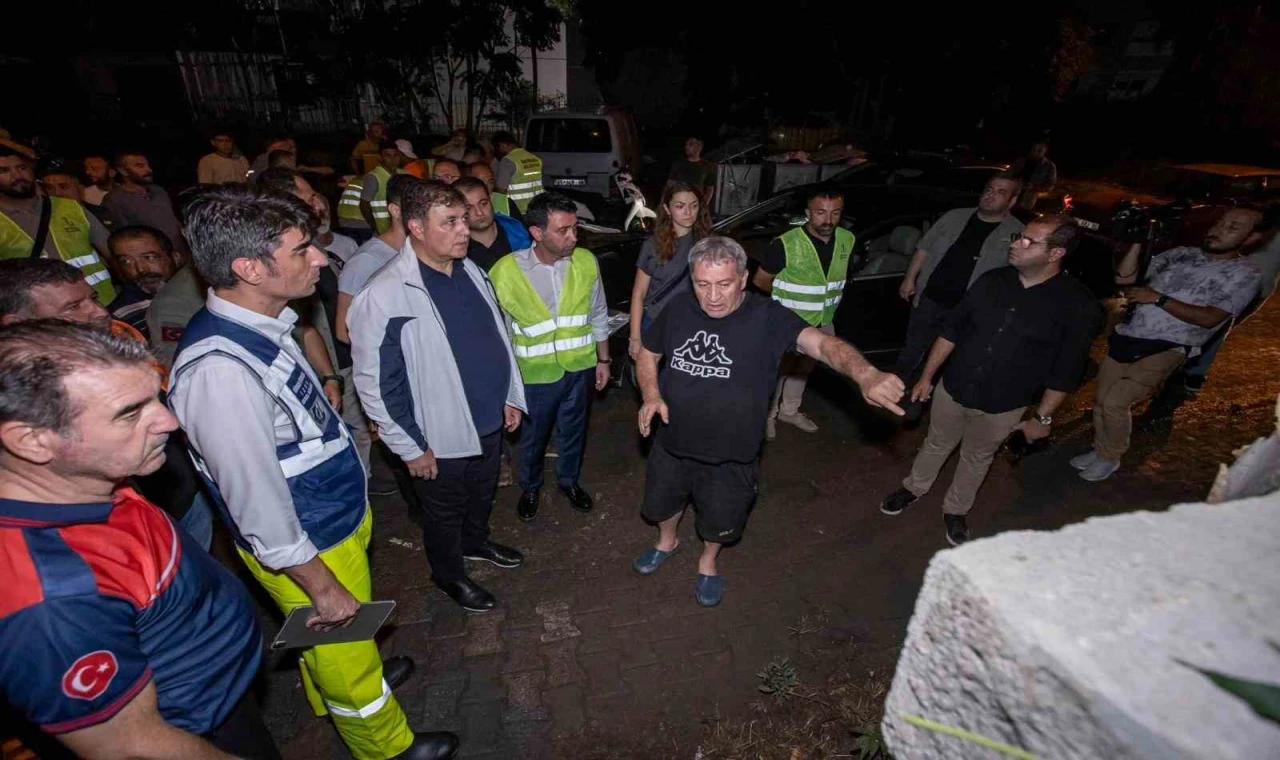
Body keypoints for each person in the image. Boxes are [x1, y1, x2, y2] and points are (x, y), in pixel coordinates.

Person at [168, 186, 457, 760]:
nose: (321, 258)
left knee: (336, 647)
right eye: (303, 250)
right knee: (344, 648)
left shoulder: (265, 324)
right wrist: (320, 585)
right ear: (250, 267)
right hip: (311, 543)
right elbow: (254, 499)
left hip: (330, 519)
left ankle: (339, 677)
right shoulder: (219, 371)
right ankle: (385, 744)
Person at [0, 320, 280, 760]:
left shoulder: (89, 473)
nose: (169, 419)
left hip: (223, 699)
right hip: (195, 735)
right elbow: (130, 746)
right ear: (33, 441)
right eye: (130, 413)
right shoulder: (50, 602)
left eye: (155, 396)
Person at [635, 236, 904, 605]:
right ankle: (667, 541)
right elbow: (648, 354)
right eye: (703, 284)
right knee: (661, 504)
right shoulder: (679, 308)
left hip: (732, 453)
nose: (713, 296)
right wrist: (651, 395)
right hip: (672, 441)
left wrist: (866, 374)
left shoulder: (769, 317)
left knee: (720, 519)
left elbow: (824, 346)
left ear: (743, 278)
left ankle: (708, 562)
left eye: (724, 284)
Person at [349, 182, 527, 614]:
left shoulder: (470, 270)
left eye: (464, 219)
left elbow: (496, 339)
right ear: (416, 228)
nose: (464, 229)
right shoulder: (385, 293)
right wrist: (409, 447)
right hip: (437, 433)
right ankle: (449, 574)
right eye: (450, 222)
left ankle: (475, 542)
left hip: (488, 417)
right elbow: (376, 384)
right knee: (443, 511)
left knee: (482, 492)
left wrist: (508, 395)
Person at [879, 216, 1103, 545]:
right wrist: (927, 377)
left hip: (1005, 403)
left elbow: (1067, 370)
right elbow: (952, 330)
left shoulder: (1077, 305)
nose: (1015, 243)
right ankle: (914, 488)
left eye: (1028, 241)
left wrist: (1042, 418)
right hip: (954, 387)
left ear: (1056, 254)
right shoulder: (992, 280)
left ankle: (956, 509)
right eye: (1018, 236)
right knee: (936, 442)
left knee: (977, 457)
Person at [0, 256, 217, 551]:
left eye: (92, 298)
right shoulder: (15, 399)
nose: (99, 312)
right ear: (18, 323)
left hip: (179, 494)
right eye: (73, 307)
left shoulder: (119, 334)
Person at [1071, 207, 1265, 482]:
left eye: (1233, 227)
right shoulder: (1182, 254)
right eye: (1220, 222)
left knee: (1116, 401)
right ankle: (1100, 448)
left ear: (1252, 238)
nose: (1219, 229)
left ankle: (1110, 456)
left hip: (1170, 345)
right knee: (1102, 401)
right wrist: (1139, 241)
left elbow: (1211, 318)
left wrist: (1158, 298)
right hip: (1129, 336)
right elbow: (1125, 279)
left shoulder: (1244, 274)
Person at [489, 192, 609, 522]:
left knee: (574, 431)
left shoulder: (586, 261)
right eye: (563, 230)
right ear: (537, 232)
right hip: (534, 374)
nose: (573, 237)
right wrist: (507, 389)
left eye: (575, 228)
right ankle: (530, 487)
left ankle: (568, 482)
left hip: (581, 368)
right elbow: (498, 335)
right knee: (533, 437)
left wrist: (603, 360)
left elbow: (599, 312)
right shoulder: (505, 272)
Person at [895, 174, 1025, 388]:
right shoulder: (953, 217)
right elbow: (924, 247)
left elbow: (1018, 274)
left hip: (969, 311)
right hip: (930, 299)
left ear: (1011, 201)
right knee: (912, 349)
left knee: (949, 359)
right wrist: (909, 279)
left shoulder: (1016, 233)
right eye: (989, 189)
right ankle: (898, 385)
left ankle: (926, 392)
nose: (991, 195)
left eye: (1001, 192)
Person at [752, 186, 855, 438]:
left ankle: (790, 410)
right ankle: (768, 416)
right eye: (820, 212)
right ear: (808, 213)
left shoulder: (847, 240)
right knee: (778, 371)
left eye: (835, 213)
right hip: (788, 325)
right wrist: (783, 307)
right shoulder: (786, 244)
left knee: (803, 370)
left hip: (823, 321)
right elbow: (760, 280)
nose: (828, 220)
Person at [0, 144, 115, 303]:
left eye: (22, 167)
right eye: (3, 171)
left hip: (103, 302)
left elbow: (113, 252)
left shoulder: (70, 207)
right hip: (45, 316)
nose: (17, 175)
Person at [628, 180, 712, 360]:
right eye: (680, 206)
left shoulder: (707, 243)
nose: (688, 212)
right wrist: (635, 337)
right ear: (667, 209)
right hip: (655, 321)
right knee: (651, 382)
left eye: (694, 205)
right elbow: (639, 293)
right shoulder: (653, 245)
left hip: (693, 324)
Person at [336, 174, 421, 345]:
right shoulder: (366, 260)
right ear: (395, 210)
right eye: (416, 207)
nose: (424, 213)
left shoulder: (422, 251)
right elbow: (342, 331)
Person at [101, 151, 186, 255]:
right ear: (123, 171)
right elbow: (124, 238)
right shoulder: (114, 200)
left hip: (183, 253)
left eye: (148, 165)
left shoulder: (158, 191)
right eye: (140, 166)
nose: (149, 170)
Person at [107, 225, 181, 342]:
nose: (141, 269)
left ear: (175, 257)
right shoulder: (121, 315)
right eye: (126, 262)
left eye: (149, 257)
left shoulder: (203, 291)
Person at [456, 176, 531, 272]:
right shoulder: (454, 246)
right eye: (469, 208)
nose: (479, 212)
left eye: (483, 203)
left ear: (491, 199)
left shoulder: (517, 232)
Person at [491, 130, 543, 213]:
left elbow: (501, 190)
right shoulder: (535, 158)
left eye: (497, 148)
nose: (497, 152)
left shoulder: (508, 160)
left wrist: (498, 211)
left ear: (502, 145)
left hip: (517, 210)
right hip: (536, 208)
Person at [360, 140, 404, 235]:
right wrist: (373, 226)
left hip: (403, 228)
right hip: (383, 229)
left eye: (395, 155)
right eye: (388, 155)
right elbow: (364, 205)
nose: (392, 159)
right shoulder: (374, 177)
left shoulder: (405, 174)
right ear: (380, 158)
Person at [668, 136, 717, 206]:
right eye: (686, 145)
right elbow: (670, 184)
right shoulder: (678, 164)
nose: (686, 147)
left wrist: (703, 205)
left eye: (690, 144)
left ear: (699, 147)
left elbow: (710, 189)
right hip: (679, 202)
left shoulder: (707, 166)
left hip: (695, 203)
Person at [1010, 141, 1057, 211]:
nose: (1035, 152)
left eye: (1039, 150)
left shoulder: (1049, 166)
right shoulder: (1021, 161)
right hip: (1010, 195)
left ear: (1045, 151)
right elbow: (1007, 174)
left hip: (1027, 201)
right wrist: (1014, 181)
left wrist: (1034, 187)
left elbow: (1050, 185)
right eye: (1034, 149)